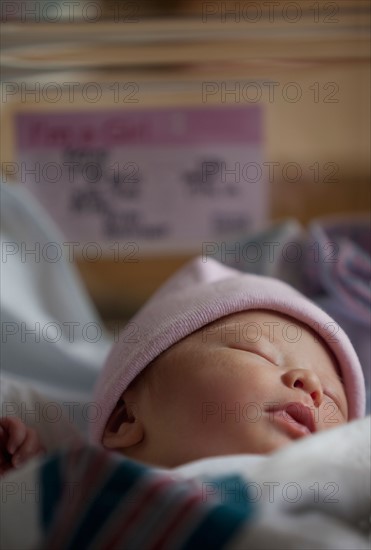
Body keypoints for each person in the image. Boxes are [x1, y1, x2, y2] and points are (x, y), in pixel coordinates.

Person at [0, 257, 366, 473]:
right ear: (126, 420)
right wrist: (29, 478)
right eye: (260, 353)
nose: (312, 385)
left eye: (334, 396)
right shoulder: (88, 491)